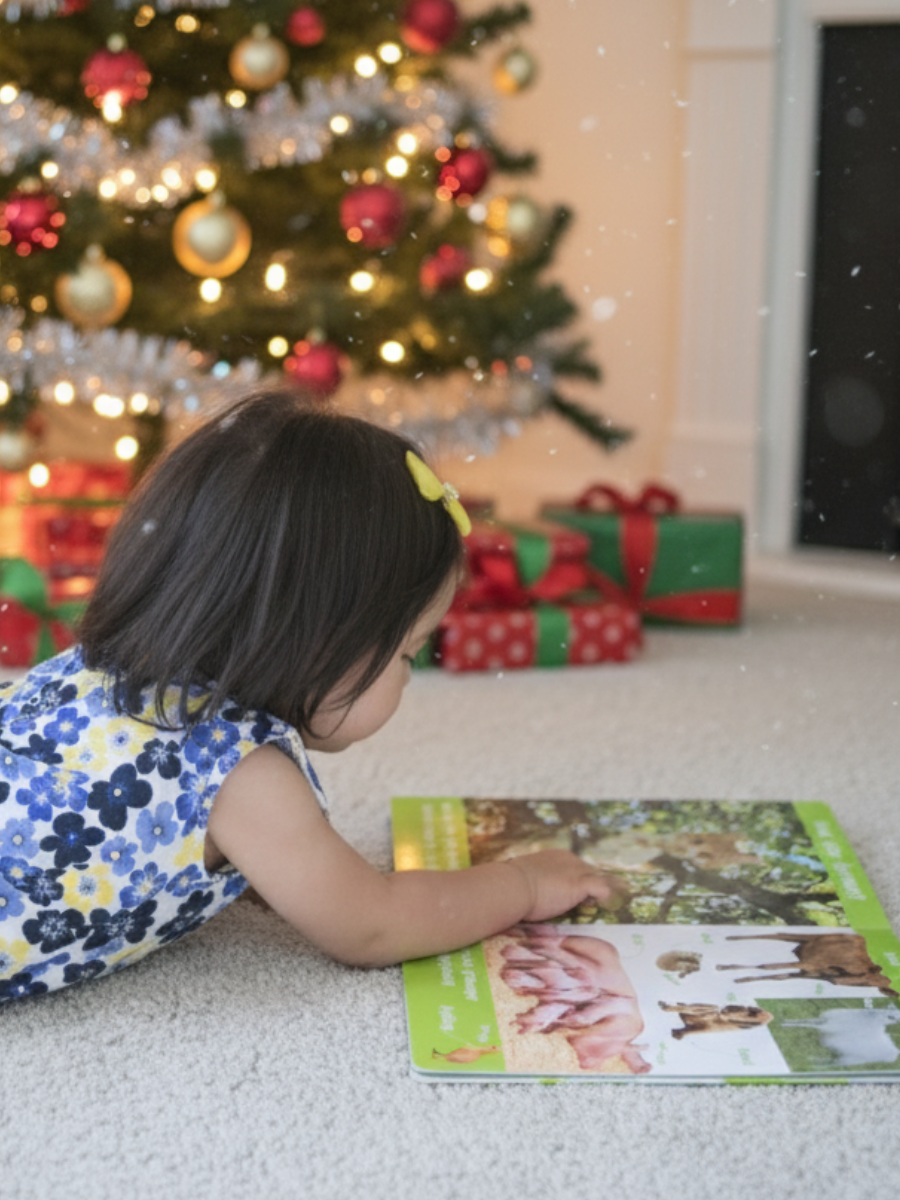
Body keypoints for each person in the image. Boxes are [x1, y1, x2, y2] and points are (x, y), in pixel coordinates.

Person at [0, 390, 618, 1003]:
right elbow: (373, 922)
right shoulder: (239, 775)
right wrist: (524, 885)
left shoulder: (95, 669)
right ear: (314, 638)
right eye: (407, 652)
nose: (407, 675)